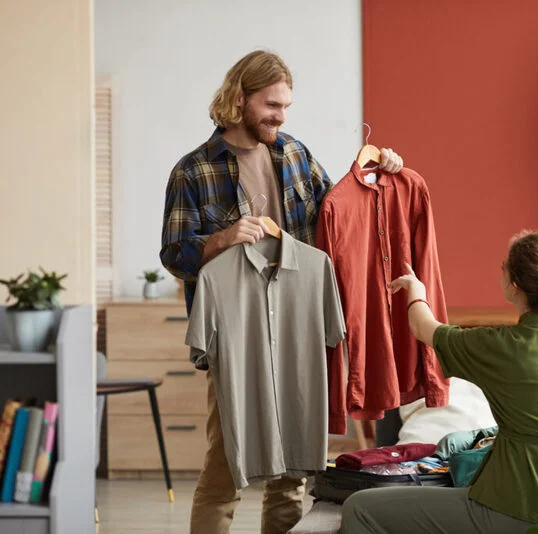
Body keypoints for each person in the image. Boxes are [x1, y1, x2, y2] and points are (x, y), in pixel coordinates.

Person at [159, 50, 403, 534]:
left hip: (295, 329)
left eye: (286, 106)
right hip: (238, 338)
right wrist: (223, 239)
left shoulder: (295, 154)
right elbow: (172, 255)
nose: (281, 116)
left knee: (292, 469)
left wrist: (379, 171)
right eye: (272, 105)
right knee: (226, 464)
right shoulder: (193, 171)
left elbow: (342, 215)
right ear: (240, 99)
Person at [340, 231, 538, 533]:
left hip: (509, 508)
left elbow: (423, 326)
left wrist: (416, 289)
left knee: (360, 508)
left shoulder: (499, 345)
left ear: (514, 285)